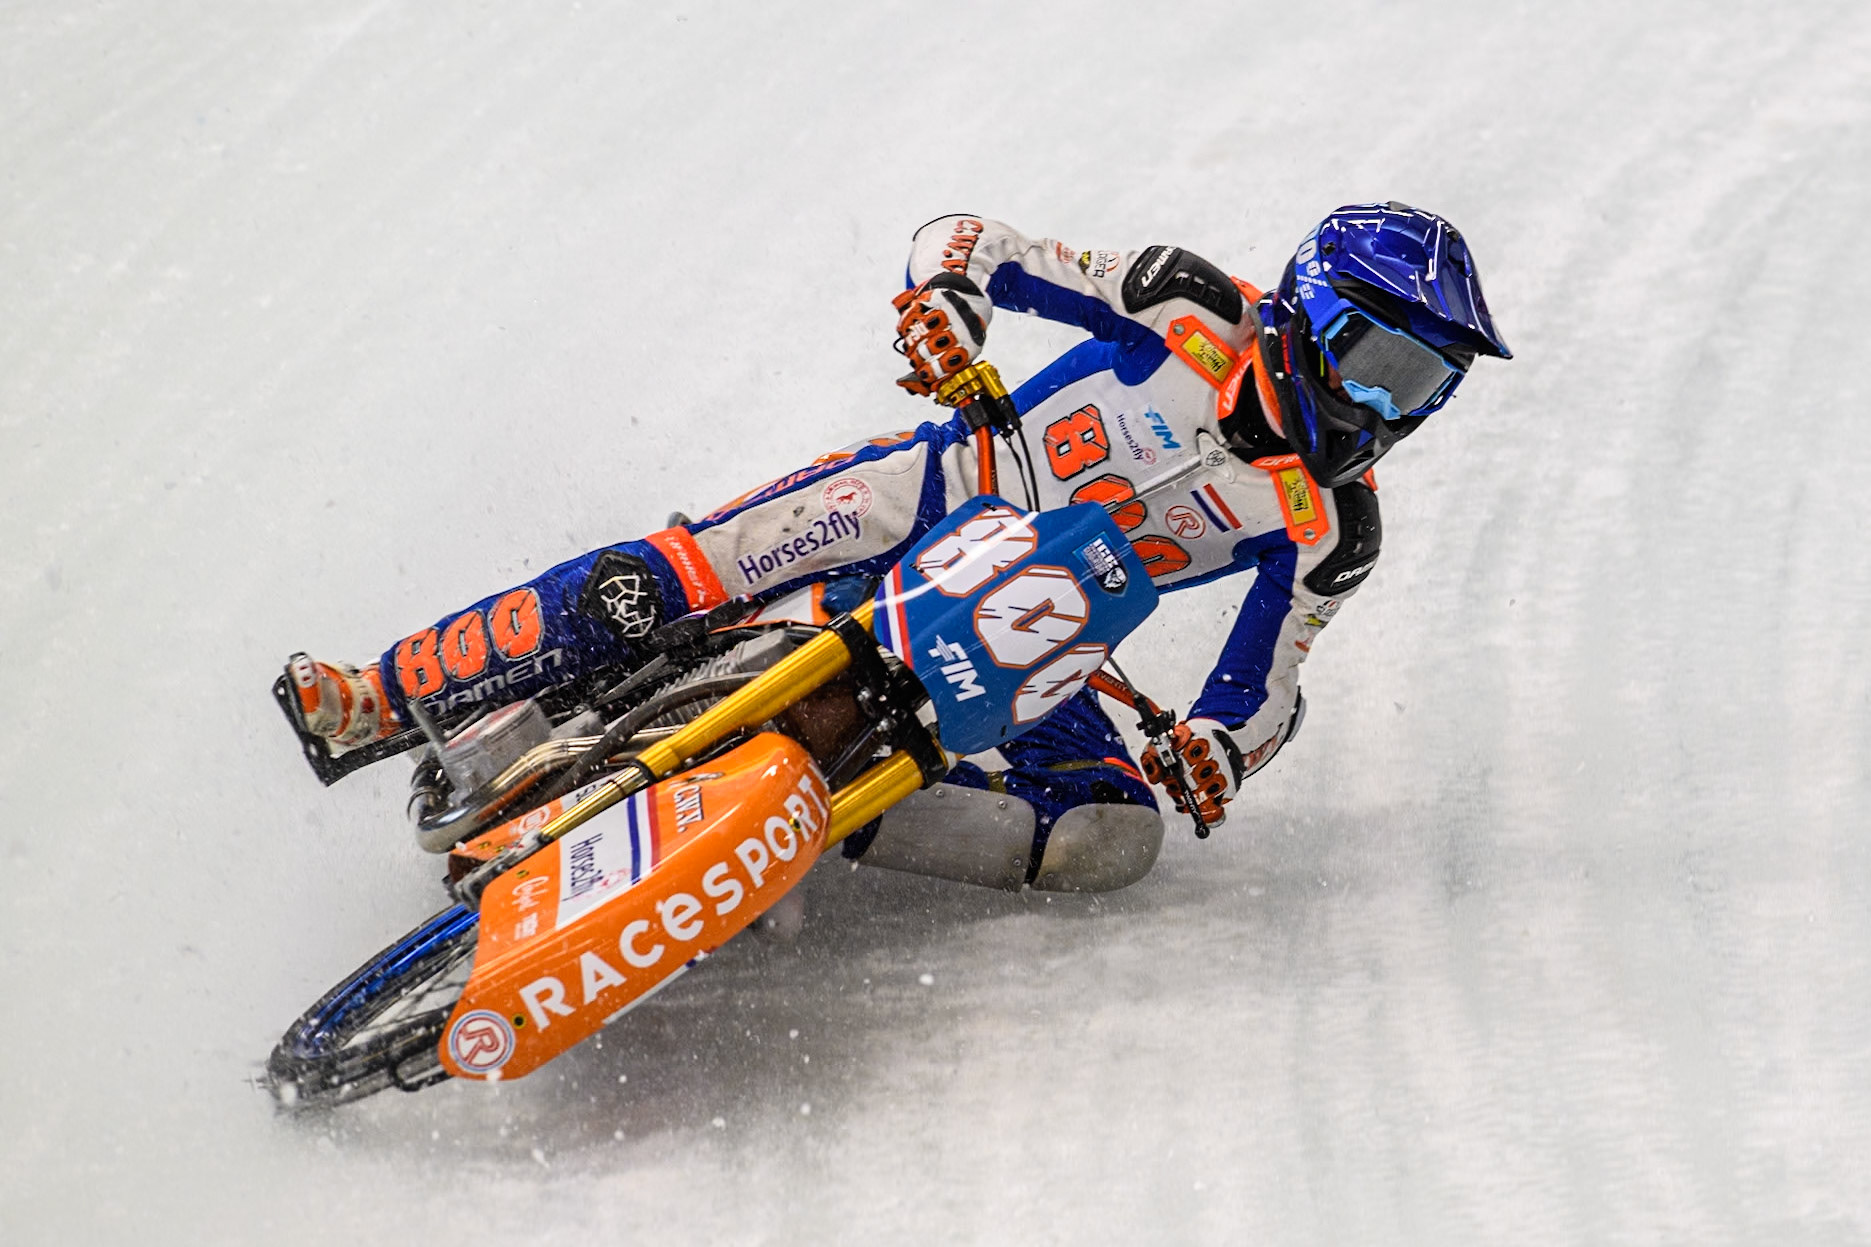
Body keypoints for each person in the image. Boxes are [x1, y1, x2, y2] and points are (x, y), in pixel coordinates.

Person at [284, 202, 1511, 892]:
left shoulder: (1332, 532)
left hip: (1044, 635)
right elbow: (972, 241)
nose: (1387, 412)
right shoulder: (1185, 302)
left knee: (1106, 834)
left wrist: (1211, 750)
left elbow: (1264, 690)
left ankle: (782, 832)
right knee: (671, 577)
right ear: (1309, 316)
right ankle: (378, 691)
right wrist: (947, 309)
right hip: (922, 496)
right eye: (1379, 364)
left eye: (1425, 390)